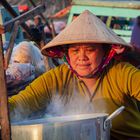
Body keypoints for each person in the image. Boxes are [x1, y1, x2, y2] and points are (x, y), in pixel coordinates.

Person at [9, 10, 140, 140]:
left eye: (90, 50)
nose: (82, 57)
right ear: (67, 54)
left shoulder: (122, 72)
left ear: (105, 52)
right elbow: (19, 104)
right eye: (75, 51)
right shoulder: (57, 77)